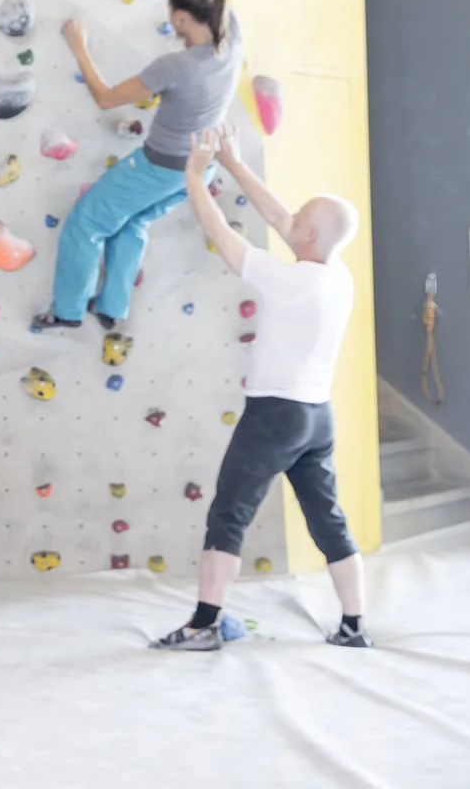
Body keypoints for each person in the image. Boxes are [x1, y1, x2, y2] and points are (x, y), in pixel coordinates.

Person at [150, 126, 368, 651]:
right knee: (328, 520)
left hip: (274, 416)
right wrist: (236, 163)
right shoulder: (337, 276)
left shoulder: (289, 281)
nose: (289, 219)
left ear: (309, 234)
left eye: (300, 219)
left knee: (228, 514)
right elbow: (285, 221)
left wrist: (195, 174)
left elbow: (220, 232)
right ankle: (355, 625)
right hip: (317, 417)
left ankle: (203, 624)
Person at [32, 0, 244, 333]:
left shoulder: (177, 66)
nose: (170, 19)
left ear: (183, 18)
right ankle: (112, 305)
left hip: (160, 167)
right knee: (131, 222)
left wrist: (80, 48)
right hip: (198, 169)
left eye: (172, 13)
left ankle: (68, 310)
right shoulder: (230, 33)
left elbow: (107, 98)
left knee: (87, 222)